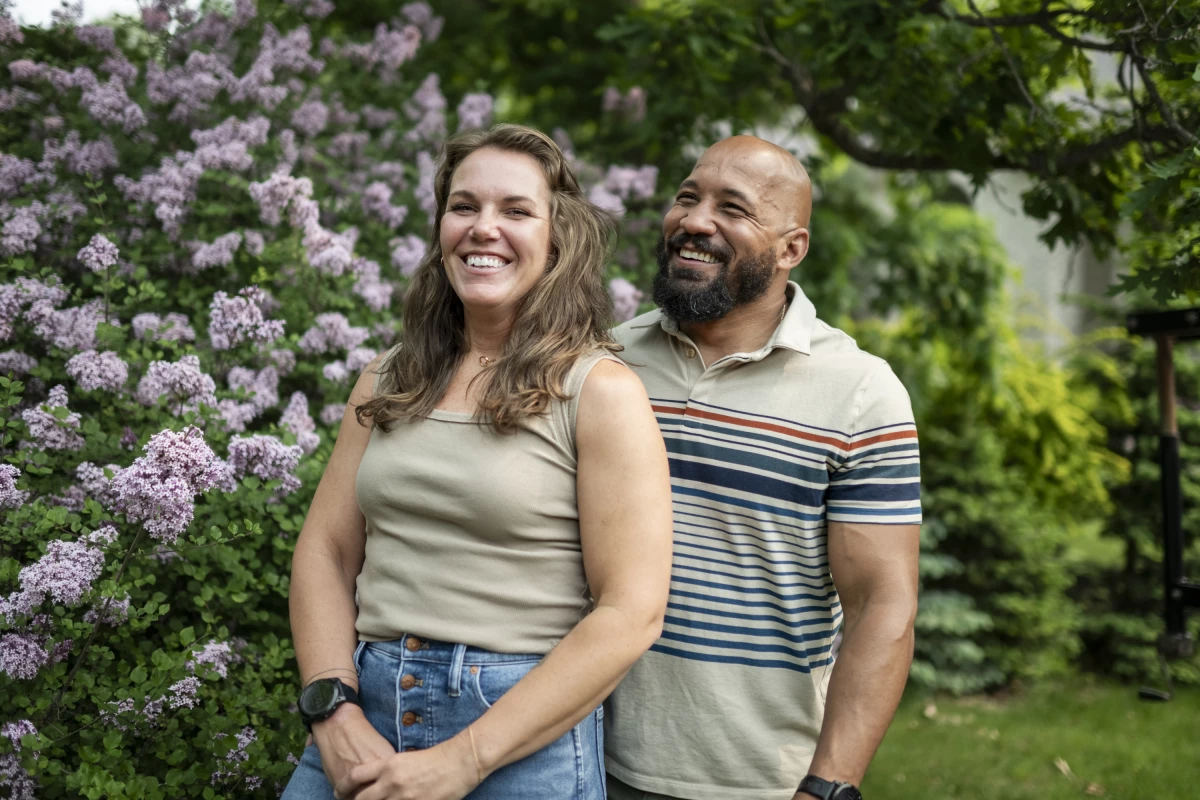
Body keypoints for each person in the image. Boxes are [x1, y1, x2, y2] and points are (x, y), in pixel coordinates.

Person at [282, 123, 673, 800]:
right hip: (362, 714)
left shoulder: (600, 392)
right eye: (464, 207)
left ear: (558, 239)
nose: (483, 228)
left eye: (516, 211)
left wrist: (464, 759)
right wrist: (331, 709)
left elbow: (631, 612)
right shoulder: (389, 377)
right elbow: (325, 551)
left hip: (518, 741)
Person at [604, 136, 922, 800]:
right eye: (688, 197)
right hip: (579, 761)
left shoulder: (860, 392)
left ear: (791, 248)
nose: (694, 220)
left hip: (756, 781)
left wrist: (829, 787)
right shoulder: (605, 359)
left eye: (732, 207)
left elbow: (881, 605)